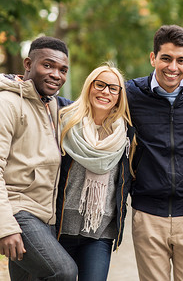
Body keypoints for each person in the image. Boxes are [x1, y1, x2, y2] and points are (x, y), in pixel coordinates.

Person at [126, 24, 183, 281]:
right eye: (166, 58)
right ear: (153, 57)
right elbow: (90, 105)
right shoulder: (131, 93)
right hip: (147, 214)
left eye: (181, 60)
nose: (173, 67)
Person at [0, 36, 78, 280]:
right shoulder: (7, 104)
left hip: (45, 215)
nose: (56, 74)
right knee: (64, 272)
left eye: (62, 70)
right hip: (18, 212)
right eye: (48, 65)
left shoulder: (53, 106)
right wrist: (5, 228)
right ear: (28, 64)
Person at [55, 63, 133, 280]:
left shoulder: (126, 135)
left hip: (100, 233)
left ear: (119, 95)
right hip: (60, 228)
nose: (105, 91)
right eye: (100, 85)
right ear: (89, 87)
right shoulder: (64, 122)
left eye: (113, 88)